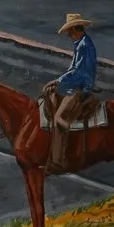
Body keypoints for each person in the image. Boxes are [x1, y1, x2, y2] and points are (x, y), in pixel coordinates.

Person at [42, 12, 98, 171]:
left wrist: (57, 81)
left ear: (75, 29)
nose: (68, 35)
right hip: (75, 84)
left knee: (60, 118)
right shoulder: (81, 43)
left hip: (81, 88)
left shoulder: (84, 45)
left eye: (69, 32)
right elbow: (74, 70)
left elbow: (79, 73)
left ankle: (59, 162)